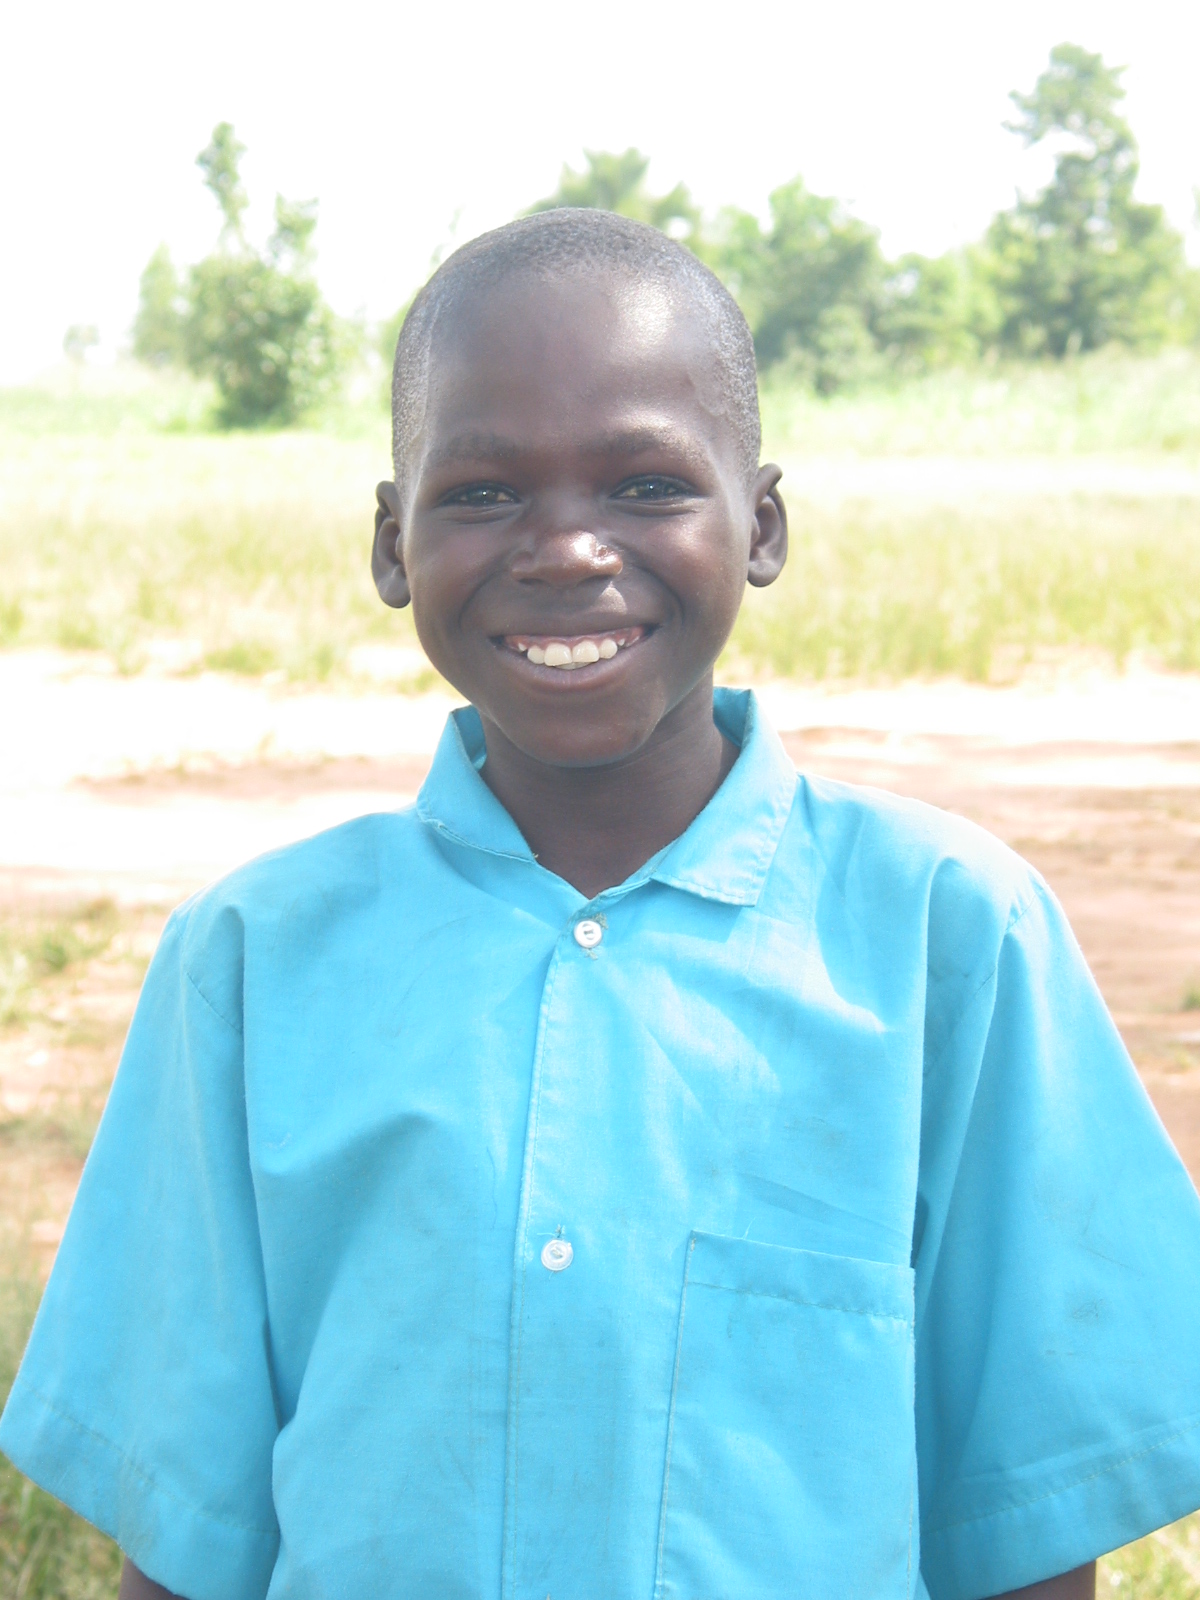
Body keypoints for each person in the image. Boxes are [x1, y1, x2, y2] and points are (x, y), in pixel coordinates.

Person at [4, 210, 1200, 1600]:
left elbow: (1030, 1526)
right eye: (485, 494)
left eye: (643, 484)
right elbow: (192, 1538)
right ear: (392, 546)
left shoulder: (949, 938)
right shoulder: (254, 960)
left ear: (761, 524)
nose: (568, 550)